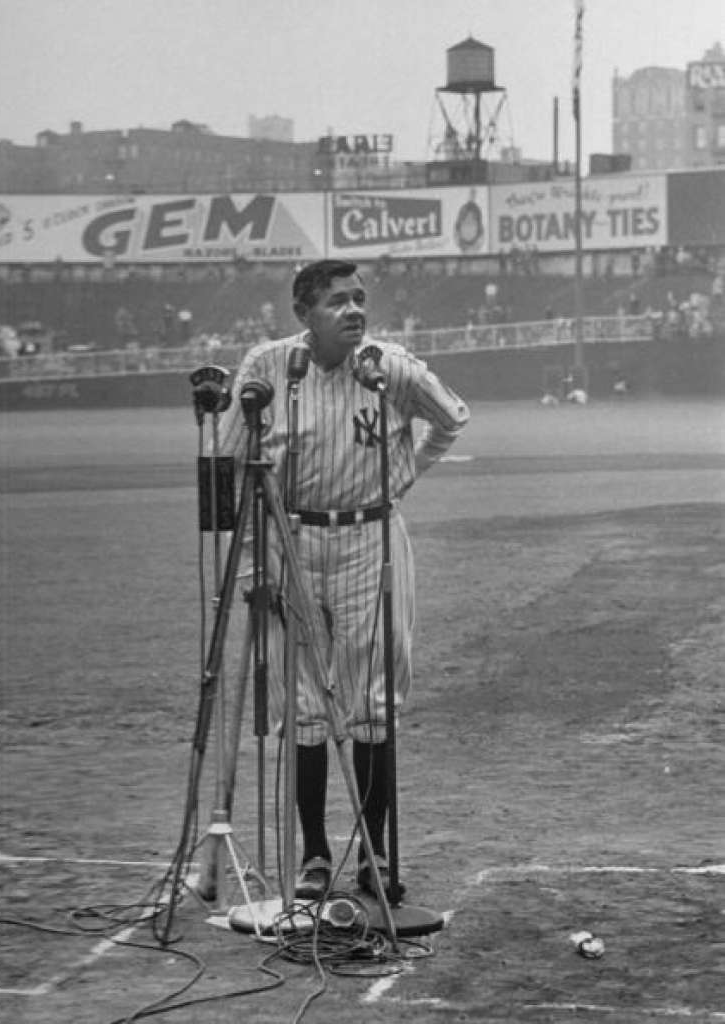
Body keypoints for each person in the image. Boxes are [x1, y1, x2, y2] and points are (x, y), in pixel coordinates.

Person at [216, 259, 469, 902]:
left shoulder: (392, 367)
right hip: (291, 539)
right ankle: (315, 854)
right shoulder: (268, 368)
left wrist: (401, 477)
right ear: (304, 315)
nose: (354, 311)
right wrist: (252, 567)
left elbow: (452, 418)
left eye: (359, 299)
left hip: (370, 540)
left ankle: (375, 853)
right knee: (303, 707)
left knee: (373, 702)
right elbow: (230, 470)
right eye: (336, 302)